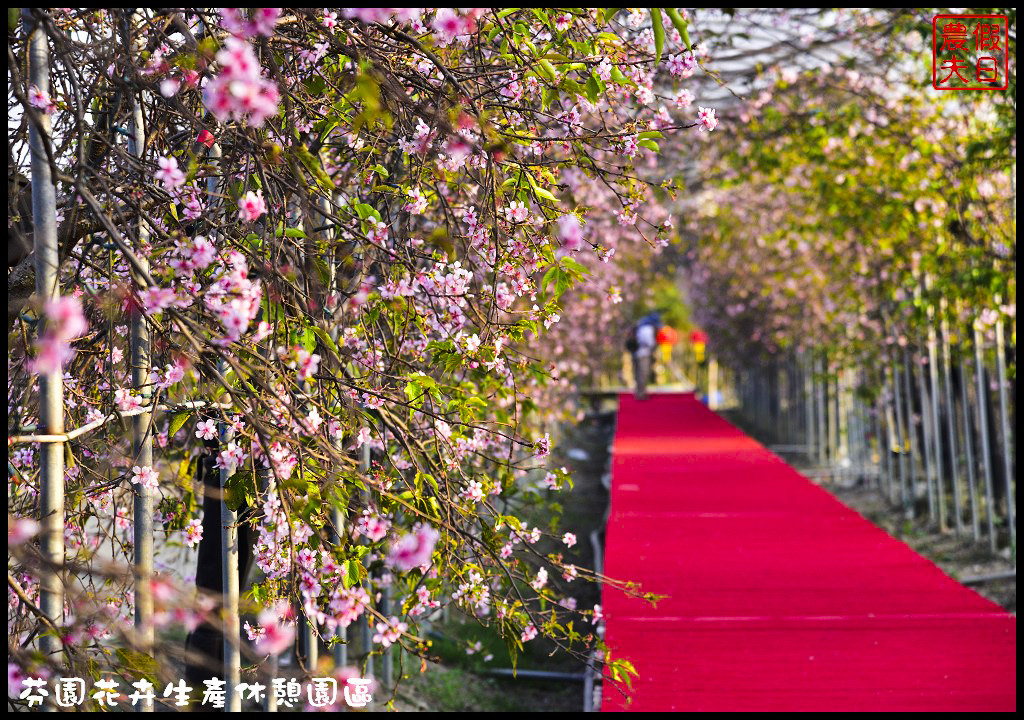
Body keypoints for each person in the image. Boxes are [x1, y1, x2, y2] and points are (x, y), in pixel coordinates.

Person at [627, 311, 661, 399]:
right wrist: (655, 345)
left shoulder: (639, 326)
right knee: (643, 373)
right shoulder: (647, 329)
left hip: (635, 352)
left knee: (637, 373)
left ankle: (638, 392)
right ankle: (641, 393)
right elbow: (649, 342)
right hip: (643, 353)